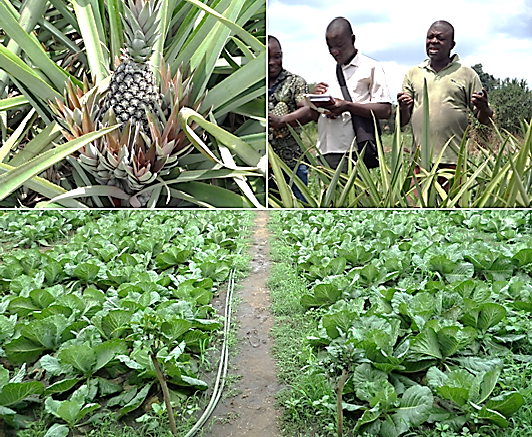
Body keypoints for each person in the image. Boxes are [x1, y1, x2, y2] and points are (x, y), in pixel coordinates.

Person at [397, 20, 494, 171]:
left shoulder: (467, 74)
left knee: (454, 195)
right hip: (420, 161)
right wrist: (403, 108)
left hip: (454, 161)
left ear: (452, 44)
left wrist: (484, 107)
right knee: (416, 196)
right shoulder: (413, 73)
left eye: (440, 38)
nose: (433, 41)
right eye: (430, 37)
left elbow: (485, 120)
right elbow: (402, 122)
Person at [311, 17, 392, 172]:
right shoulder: (327, 70)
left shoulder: (371, 68)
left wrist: (347, 106)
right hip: (326, 149)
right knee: (329, 196)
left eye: (340, 46)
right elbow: (314, 114)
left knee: (356, 196)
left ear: (352, 39)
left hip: (353, 151)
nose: (335, 51)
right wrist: (316, 99)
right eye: (330, 47)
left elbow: (385, 110)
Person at [268, 35, 314, 202]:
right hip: (263, 165)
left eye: (277, 57)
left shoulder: (295, 82)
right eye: (268, 58)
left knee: (300, 204)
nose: (272, 62)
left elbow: (307, 110)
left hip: (291, 161)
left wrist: (282, 121)